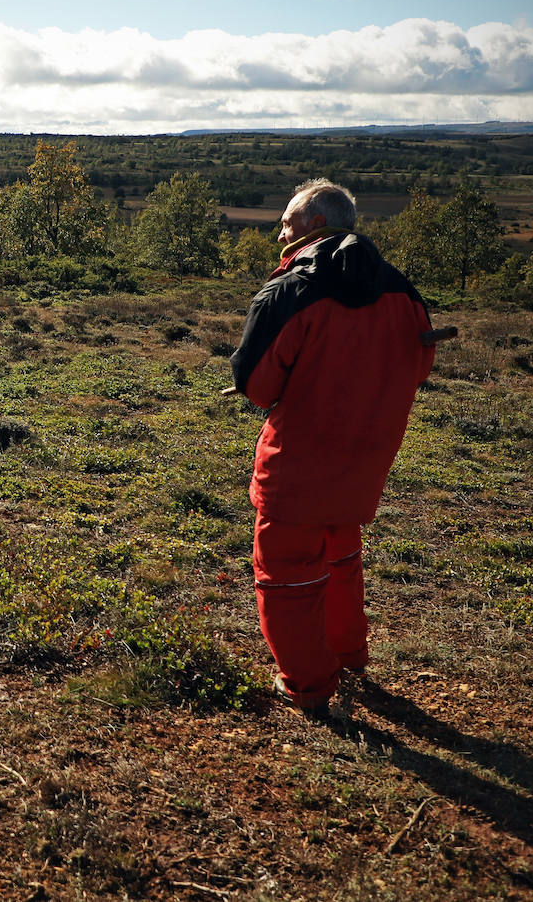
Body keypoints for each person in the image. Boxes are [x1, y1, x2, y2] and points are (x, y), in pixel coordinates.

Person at [227, 178, 435, 716]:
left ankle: (309, 685)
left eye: (288, 222)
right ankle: (347, 654)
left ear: (316, 225)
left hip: (297, 462)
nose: (281, 231)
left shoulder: (289, 291)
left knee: (287, 572)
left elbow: (257, 387)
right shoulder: (401, 290)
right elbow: (418, 367)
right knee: (340, 555)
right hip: (367, 459)